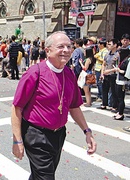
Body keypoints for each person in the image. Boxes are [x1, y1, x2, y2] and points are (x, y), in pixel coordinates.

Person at [11, 31, 96, 180]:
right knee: (46, 177)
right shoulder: (34, 73)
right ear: (48, 50)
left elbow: (74, 106)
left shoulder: (69, 73)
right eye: (61, 46)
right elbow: (17, 107)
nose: (66, 50)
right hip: (36, 135)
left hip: (58, 135)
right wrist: (17, 140)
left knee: (41, 175)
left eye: (69, 46)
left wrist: (87, 131)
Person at [98, 38, 120, 112]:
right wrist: (102, 73)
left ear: (115, 45)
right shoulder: (107, 54)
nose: (108, 46)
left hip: (113, 75)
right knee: (104, 90)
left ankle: (114, 106)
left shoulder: (117, 55)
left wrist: (109, 71)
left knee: (114, 91)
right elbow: (104, 64)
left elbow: (118, 67)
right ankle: (104, 104)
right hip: (106, 74)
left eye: (110, 44)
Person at [94, 37, 108, 102]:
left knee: (100, 83)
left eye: (99, 44)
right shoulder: (100, 51)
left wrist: (98, 58)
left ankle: (101, 96)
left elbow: (105, 61)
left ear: (102, 44)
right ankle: (100, 95)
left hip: (100, 69)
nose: (98, 45)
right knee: (98, 83)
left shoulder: (105, 51)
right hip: (97, 68)